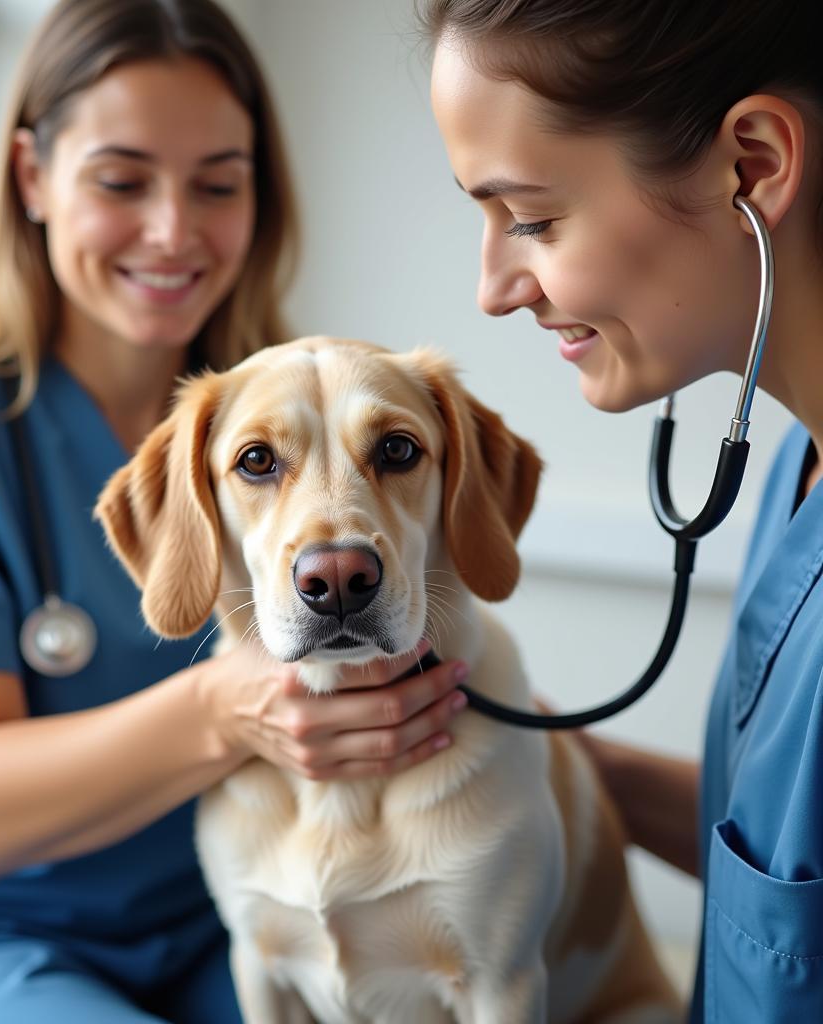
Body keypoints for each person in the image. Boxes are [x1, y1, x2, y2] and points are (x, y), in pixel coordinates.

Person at [0, 2, 471, 1022]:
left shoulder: (297, 415)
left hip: (215, 920)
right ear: (32, 177)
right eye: (121, 180)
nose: (173, 230)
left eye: (217, 184)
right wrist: (223, 706)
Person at [420, 0, 823, 1020]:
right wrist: (532, 757)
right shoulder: (790, 474)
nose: (493, 287)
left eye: (533, 219)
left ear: (753, 165)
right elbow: (778, 873)